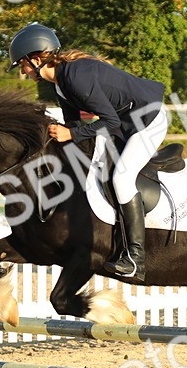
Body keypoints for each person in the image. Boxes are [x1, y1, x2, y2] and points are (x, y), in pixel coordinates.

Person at [9, 23, 166, 281]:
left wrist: (70, 134)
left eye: (22, 65)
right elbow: (74, 125)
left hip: (147, 119)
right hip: (124, 122)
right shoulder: (60, 83)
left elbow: (110, 122)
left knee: (121, 179)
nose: (23, 71)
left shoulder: (75, 77)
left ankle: (136, 257)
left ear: (36, 59)